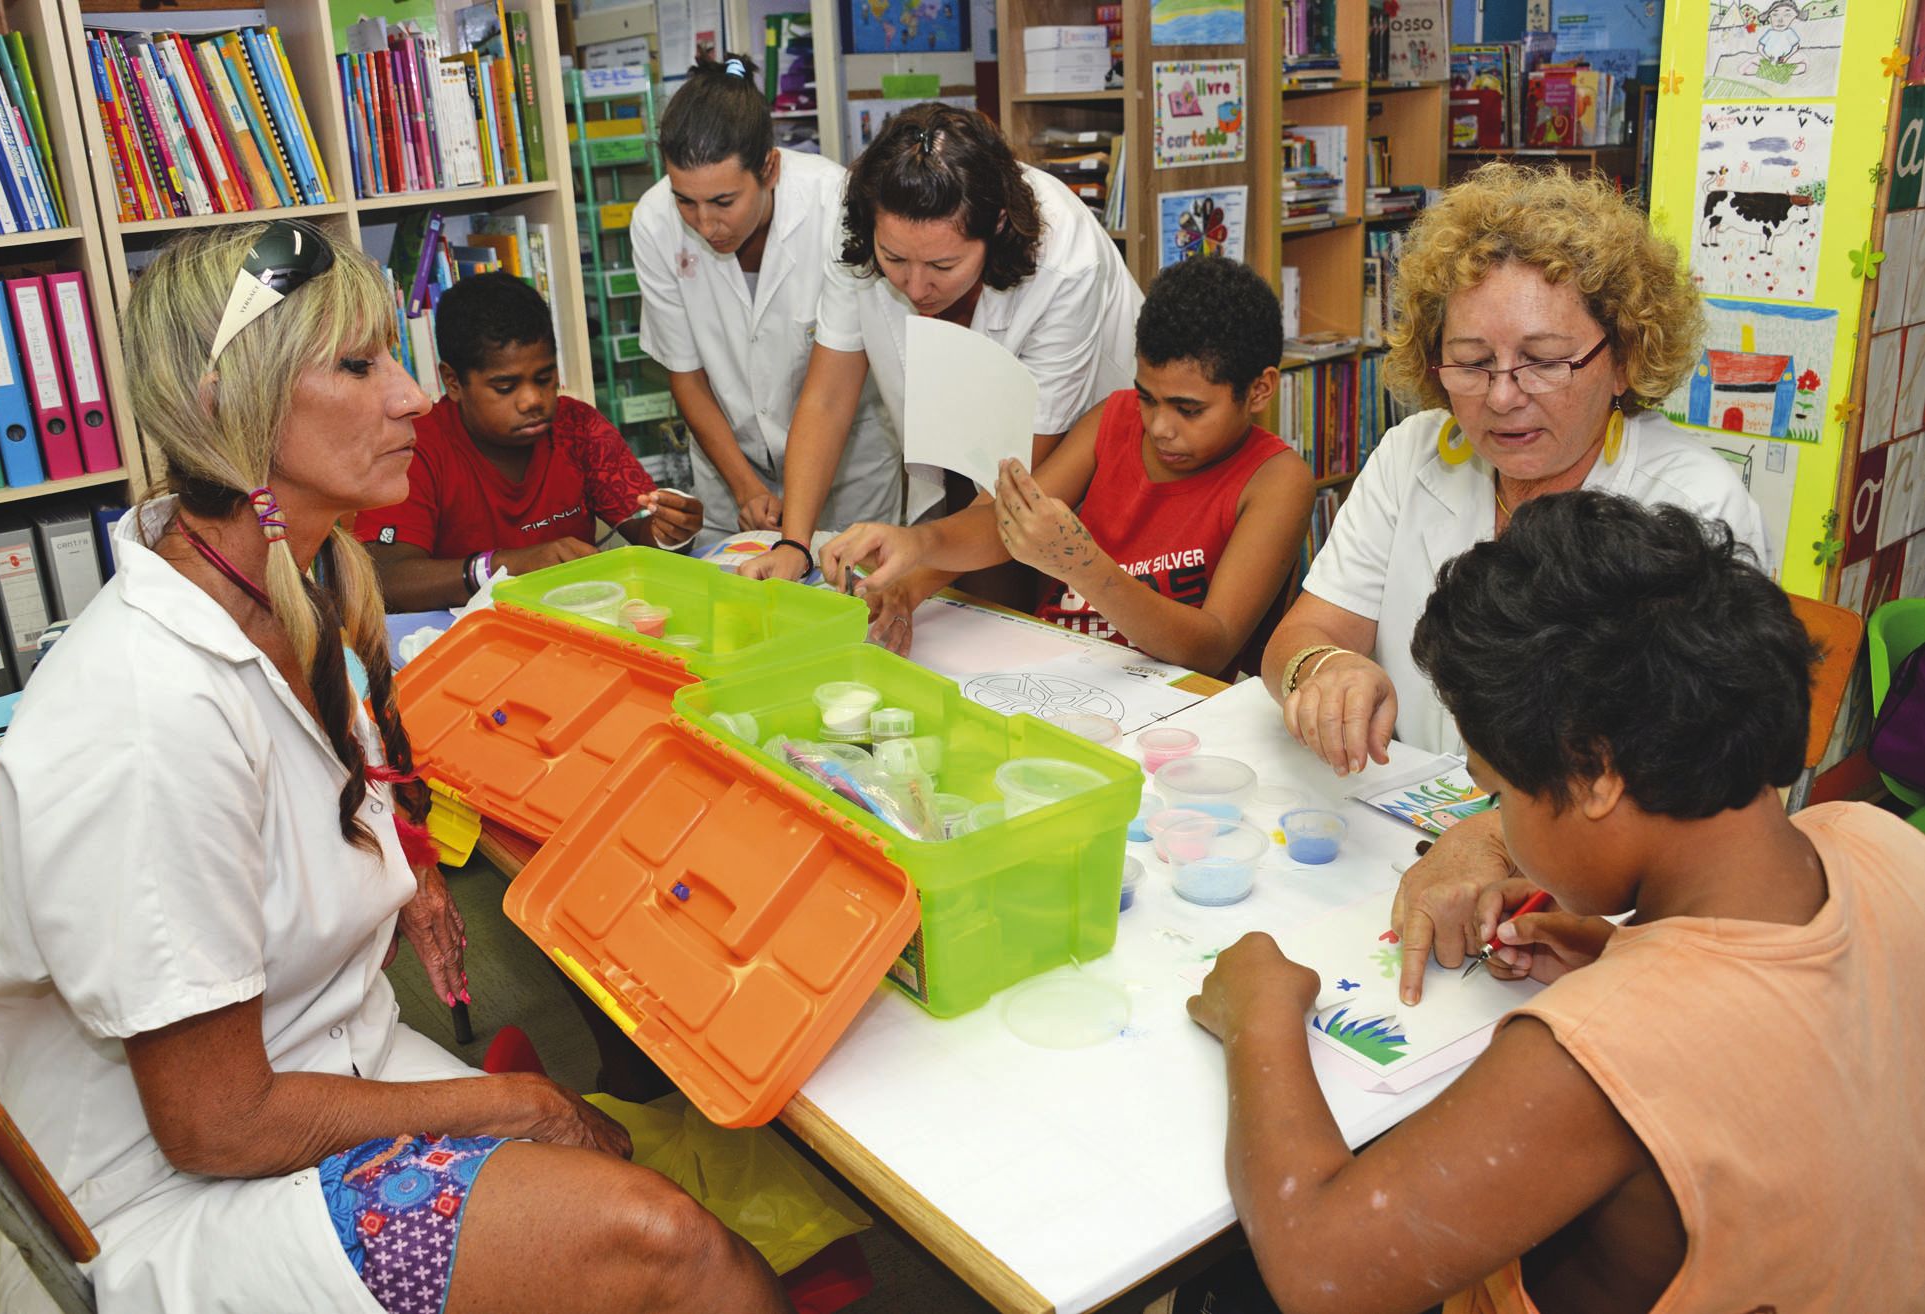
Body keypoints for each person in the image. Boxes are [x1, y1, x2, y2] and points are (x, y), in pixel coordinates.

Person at [0, 221, 789, 1314]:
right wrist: (512, 1106)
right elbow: (216, 1123)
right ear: (236, 403)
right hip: (182, 1198)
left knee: (611, 1180)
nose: (411, 400)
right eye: (360, 367)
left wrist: (409, 885)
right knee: (668, 1247)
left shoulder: (287, 591)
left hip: (328, 1068)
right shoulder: (146, 710)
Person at [1189, 491, 1925, 1314]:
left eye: (1496, 793)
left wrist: (1259, 1014)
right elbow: (1794, 1037)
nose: (1498, 822)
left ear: (1595, 774)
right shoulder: (1880, 842)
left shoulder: (1597, 1052)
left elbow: (1321, 1271)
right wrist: (1623, 952)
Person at [1257, 165, 1770, 1000]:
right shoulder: (1415, 454)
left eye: (1542, 361)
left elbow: (1677, 789)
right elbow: (1298, 637)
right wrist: (1322, 671)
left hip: (1588, 917)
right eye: (1470, 363)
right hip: (1389, 840)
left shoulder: (1687, 508)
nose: (1502, 398)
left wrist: (1492, 837)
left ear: (1622, 357)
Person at [739, 102, 1143, 651]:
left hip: (1079, 458)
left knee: (1055, 621)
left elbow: (1016, 488)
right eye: (895, 259)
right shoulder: (867, 222)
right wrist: (794, 544)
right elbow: (829, 397)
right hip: (973, 462)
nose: (915, 285)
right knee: (965, 620)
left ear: (996, 225)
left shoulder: (1065, 262)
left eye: (944, 266)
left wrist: (911, 579)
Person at [820, 256, 1314, 677]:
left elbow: (1210, 647)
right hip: (1052, 669)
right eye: (1148, 398)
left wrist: (1081, 565)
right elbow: (1002, 527)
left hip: (1167, 703)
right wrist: (919, 544)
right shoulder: (1113, 420)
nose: (1161, 426)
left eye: (1189, 410)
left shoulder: (1276, 480)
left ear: (1260, 391)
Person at [632, 53, 898, 545]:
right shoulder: (653, 221)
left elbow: (832, 389)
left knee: (853, 603)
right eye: (685, 200)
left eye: (723, 202)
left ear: (770, 169)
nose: (705, 224)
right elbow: (686, 375)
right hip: (731, 465)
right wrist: (746, 488)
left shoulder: (835, 204)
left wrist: (794, 530)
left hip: (846, 469)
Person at [355, 271, 703, 611]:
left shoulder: (577, 426)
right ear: (454, 382)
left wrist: (671, 532)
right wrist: (503, 567)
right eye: (505, 387)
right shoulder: (416, 446)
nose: (532, 400)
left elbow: (644, 531)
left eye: (545, 378)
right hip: (462, 643)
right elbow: (386, 578)